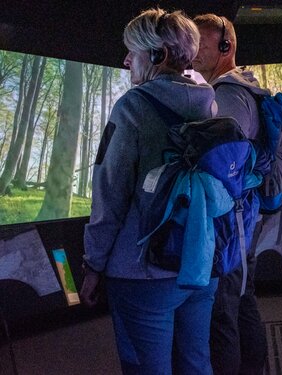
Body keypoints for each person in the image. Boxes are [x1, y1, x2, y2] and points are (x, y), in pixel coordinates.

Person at [79, 8, 218, 374]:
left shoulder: (133, 107)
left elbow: (109, 196)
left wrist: (93, 265)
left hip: (143, 274)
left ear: (159, 55)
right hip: (199, 263)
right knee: (196, 362)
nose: (126, 59)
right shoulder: (210, 103)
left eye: (133, 51)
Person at [192, 14, 269, 375]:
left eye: (201, 46)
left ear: (226, 47)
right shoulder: (237, 88)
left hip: (231, 220)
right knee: (241, 300)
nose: (193, 53)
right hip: (242, 217)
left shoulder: (230, 93)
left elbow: (225, 163)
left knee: (224, 309)